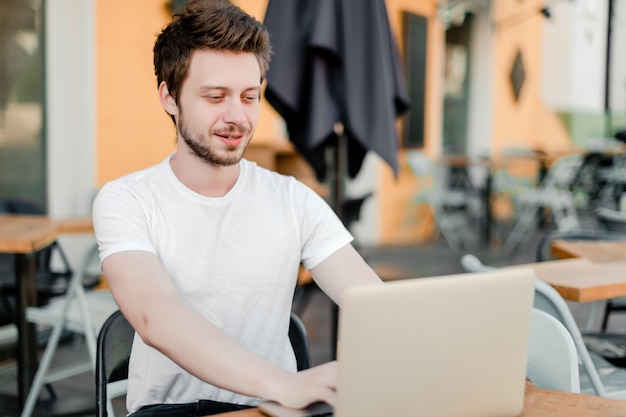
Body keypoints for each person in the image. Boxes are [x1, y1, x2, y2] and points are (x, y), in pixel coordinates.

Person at [91, 1, 383, 416]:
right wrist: (286, 383)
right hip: (175, 410)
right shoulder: (127, 199)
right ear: (169, 98)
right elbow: (156, 316)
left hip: (271, 408)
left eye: (250, 97)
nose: (237, 117)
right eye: (215, 97)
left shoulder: (293, 199)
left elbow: (373, 304)